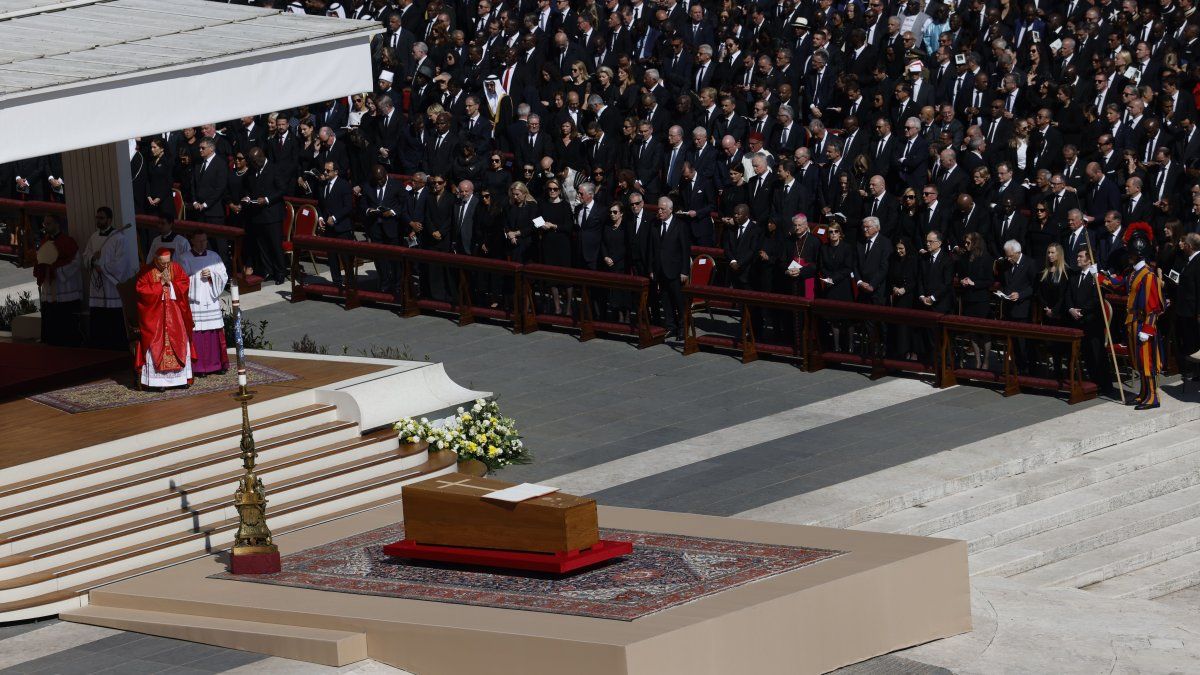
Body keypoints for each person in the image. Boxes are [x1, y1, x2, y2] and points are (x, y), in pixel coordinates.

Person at [1116, 223, 1165, 409]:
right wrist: (1101, 277)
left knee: (1147, 362)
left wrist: (1148, 329)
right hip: (1132, 323)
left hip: (1143, 324)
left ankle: (1153, 396)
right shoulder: (1132, 273)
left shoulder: (1149, 276)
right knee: (1137, 361)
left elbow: (1154, 307)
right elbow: (1120, 285)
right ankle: (1143, 393)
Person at [134, 248, 194, 389]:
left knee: (179, 339)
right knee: (157, 342)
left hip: (175, 315)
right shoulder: (146, 271)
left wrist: (171, 284)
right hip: (155, 316)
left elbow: (185, 284)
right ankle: (158, 382)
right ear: (155, 260)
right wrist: (160, 285)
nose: (166, 266)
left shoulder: (176, 268)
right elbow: (141, 290)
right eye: (162, 263)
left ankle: (180, 380)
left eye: (168, 263)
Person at [82, 207, 137, 351]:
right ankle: (100, 344)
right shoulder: (93, 237)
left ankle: (116, 346)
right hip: (97, 284)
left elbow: (121, 263)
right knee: (99, 315)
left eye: (101, 218)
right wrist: (92, 260)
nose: (98, 220)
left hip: (112, 285)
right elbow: (86, 255)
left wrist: (103, 268)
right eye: (97, 217)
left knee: (114, 317)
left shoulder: (119, 238)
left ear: (109, 220)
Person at [180, 232, 229, 376]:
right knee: (198, 335)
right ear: (192, 241)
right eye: (199, 241)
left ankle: (217, 364)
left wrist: (213, 276)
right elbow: (181, 281)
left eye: (204, 241)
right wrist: (197, 277)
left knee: (214, 333)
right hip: (195, 303)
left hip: (211, 300)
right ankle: (199, 367)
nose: (202, 244)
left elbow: (224, 275)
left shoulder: (214, 257)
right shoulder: (184, 258)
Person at [33, 215, 81, 347]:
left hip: (64, 288)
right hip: (49, 287)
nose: (45, 227)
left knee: (65, 321)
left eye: (48, 224)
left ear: (57, 224)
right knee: (50, 317)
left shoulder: (68, 242)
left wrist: (58, 271)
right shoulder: (44, 242)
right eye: (44, 224)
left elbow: (76, 262)